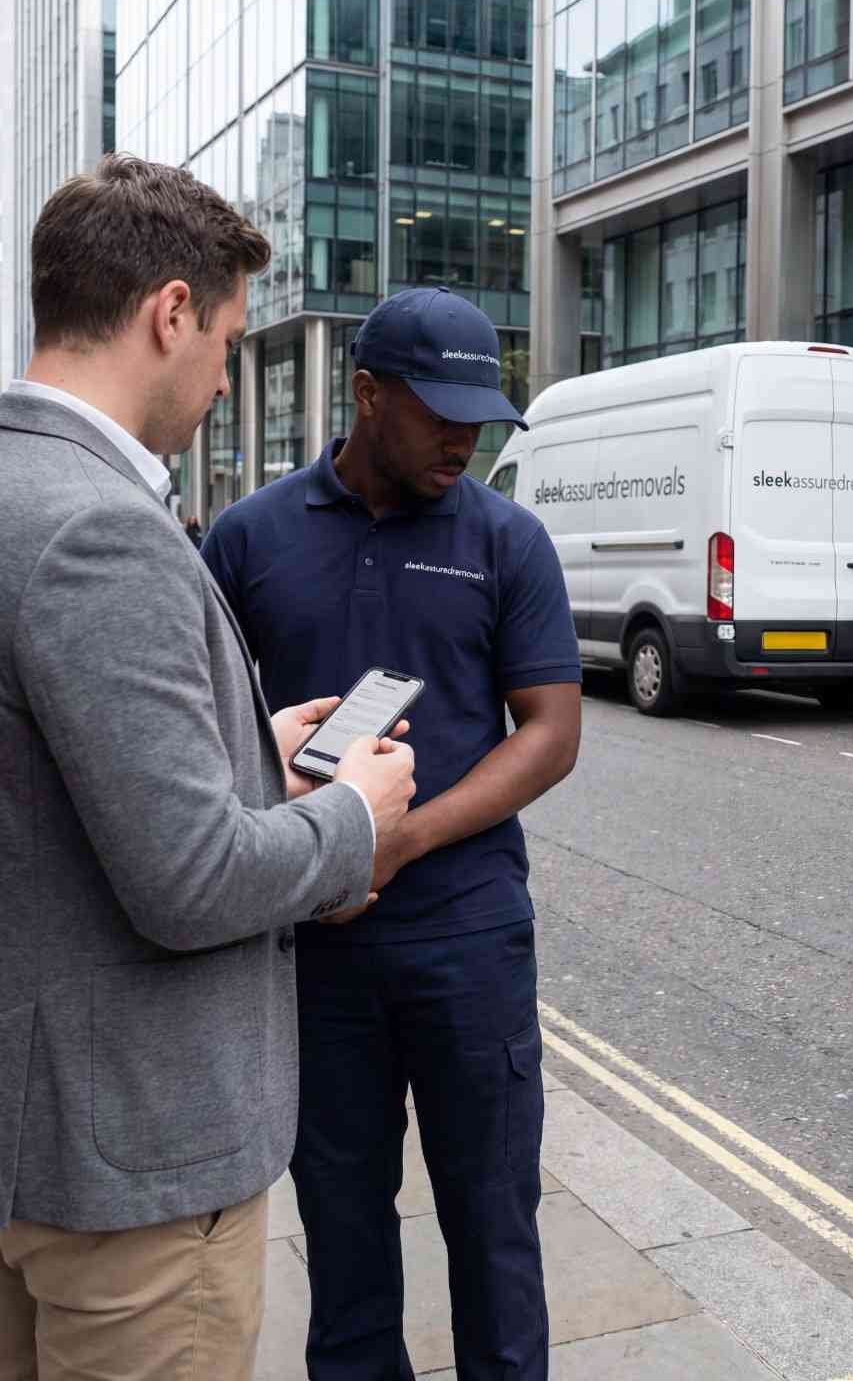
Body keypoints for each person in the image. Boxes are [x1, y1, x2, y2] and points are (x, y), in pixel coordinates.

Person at [0, 155, 417, 1381]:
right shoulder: (99, 527)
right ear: (168, 313)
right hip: (134, 1167)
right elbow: (186, 880)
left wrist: (247, 753)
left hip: (37, 1144)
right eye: (228, 338)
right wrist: (352, 815)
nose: (227, 373)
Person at [202, 286, 582, 1381]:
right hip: (315, 949)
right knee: (345, 1233)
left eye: (481, 414)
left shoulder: (507, 540)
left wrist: (401, 839)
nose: (464, 435)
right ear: (367, 395)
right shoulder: (248, 538)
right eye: (438, 409)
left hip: (469, 939)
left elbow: (548, 732)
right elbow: (208, 738)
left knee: (494, 1225)